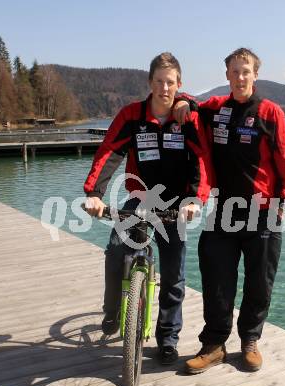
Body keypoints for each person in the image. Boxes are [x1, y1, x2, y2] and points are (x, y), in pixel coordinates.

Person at [174, 48, 285, 373]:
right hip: (223, 210)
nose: (240, 77)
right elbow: (192, 102)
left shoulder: (270, 113)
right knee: (216, 279)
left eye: (246, 71)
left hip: (263, 211)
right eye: (234, 72)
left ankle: (249, 341)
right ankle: (214, 344)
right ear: (227, 75)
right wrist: (184, 103)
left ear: (255, 75)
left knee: (260, 283)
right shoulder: (217, 108)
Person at [83, 52, 212, 365]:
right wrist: (94, 193)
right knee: (116, 249)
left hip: (176, 204)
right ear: (150, 82)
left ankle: (167, 339)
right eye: (159, 81)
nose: (164, 88)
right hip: (141, 199)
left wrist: (196, 199)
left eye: (170, 83)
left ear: (178, 85)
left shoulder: (187, 118)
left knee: (173, 273)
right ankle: (112, 312)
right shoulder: (132, 116)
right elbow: (110, 151)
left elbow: (202, 160)